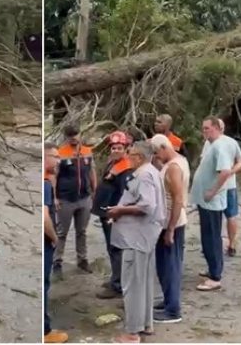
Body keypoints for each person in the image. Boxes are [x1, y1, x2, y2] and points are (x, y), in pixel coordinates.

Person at [107, 141, 167, 343]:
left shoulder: (144, 174)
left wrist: (119, 210)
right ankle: (146, 324)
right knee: (143, 282)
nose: (127, 157)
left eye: (130, 154)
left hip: (137, 238)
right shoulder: (150, 171)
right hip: (144, 237)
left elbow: (147, 206)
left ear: (139, 157)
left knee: (132, 285)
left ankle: (132, 333)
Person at [189, 116, 236, 291]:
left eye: (207, 128)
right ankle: (212, 269)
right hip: (205, 201)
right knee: (207, 236)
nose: (204, 132)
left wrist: (212, 191)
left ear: (217, 128)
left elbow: (225, 171)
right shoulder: (212, 145)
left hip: (212, 201)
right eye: (203, 128)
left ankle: (215, 276)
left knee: (212, 237)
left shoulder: (221, 146)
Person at [151, 134, 190, 324]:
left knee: (169, 266)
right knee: (165, 264)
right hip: (168, 220)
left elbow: (178, 199)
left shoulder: (174, 167)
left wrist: (171, 229)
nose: (156, 155)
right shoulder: (179, 161)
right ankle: (168, 300)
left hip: (171, 221)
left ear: (164, 147)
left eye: (157, 151)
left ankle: (173, 310)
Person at [94, 131, 135, 299]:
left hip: (114, 214)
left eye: (119, 148)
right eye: (113, 148)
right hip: (107, 212)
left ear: (125, 148)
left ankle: (117, 284)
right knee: (112, 249)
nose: (115, 150)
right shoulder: (114, 163)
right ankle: (115, 278)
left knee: (116, 249)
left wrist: (115, 214)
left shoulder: (126, 169)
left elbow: (124, 195)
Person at [53, 124, 97, 277]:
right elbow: (54, 176)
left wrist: (94, 190)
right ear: (66, 136)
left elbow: (92, 171)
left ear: (80, 134)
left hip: (84, 198)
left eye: (75, 134)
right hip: (65, 198)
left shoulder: (87, 152)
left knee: (82, 231)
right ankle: (57, 262)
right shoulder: (60, 153)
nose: (73, 137)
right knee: (61, 232)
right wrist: (54, 197)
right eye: (70, 135)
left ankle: (82, 259)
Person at [43, 143, 68, 343]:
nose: (59, 161)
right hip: (45, 241)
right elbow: (44, 219)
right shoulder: (43, 183)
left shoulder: (48, 181)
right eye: (55, 156)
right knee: (43, 283)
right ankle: (45, 332)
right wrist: (54, 237)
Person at [217, 118, 241, 256]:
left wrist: (231, 171)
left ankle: (232, 244)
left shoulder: (231, 142)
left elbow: (240, 161)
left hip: (228, 186)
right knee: (216, 216)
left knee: (231, 215)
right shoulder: (208, 143)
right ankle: (215, 243)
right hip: (215, 185)